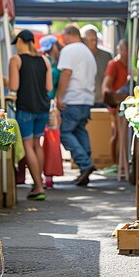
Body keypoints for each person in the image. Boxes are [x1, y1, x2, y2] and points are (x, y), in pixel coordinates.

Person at [9, 30, 53, 200]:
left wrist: (6, 80)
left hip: (26, 107)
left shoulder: (16, 60)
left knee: (28, 145)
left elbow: (14, 86)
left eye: (17, 43)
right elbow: (49, 88)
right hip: (43, 107)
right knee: (37, 144)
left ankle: (39, 187)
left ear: (20, 41)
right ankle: (37, 184)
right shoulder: (45, 60)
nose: (16, 47)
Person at [57, 25, 97, 186]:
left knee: (65, 133)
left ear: (67, 35)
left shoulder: (69, 50)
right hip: (86, 99)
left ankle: (85, 163)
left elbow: (66, 73)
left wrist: (59, 96)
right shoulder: (88, 52)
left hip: (72, 98)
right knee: (80, 131)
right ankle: (85, 167)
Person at [40, 35, 63, 189]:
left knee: (43, 142)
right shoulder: (52, 65)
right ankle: (48, 176)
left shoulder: (45, 62)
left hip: (45, 105)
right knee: (49, 142)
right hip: (49, 106)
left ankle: (47, 176)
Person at [102, 39, 129, 165]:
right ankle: (115, 164)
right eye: (126, 49)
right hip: (116, 104)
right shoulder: (114, 64)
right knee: (117, 133)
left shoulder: (130, 65)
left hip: (126, 102)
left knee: (124, 135)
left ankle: (122, 162)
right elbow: (106, 85)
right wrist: (112, 99)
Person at [82, 25, 112, 107]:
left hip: (102, 100)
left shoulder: (107, 56)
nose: (94, 42)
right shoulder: (80, 56)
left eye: (95, 39)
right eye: (91, 40)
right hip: (85, 100)